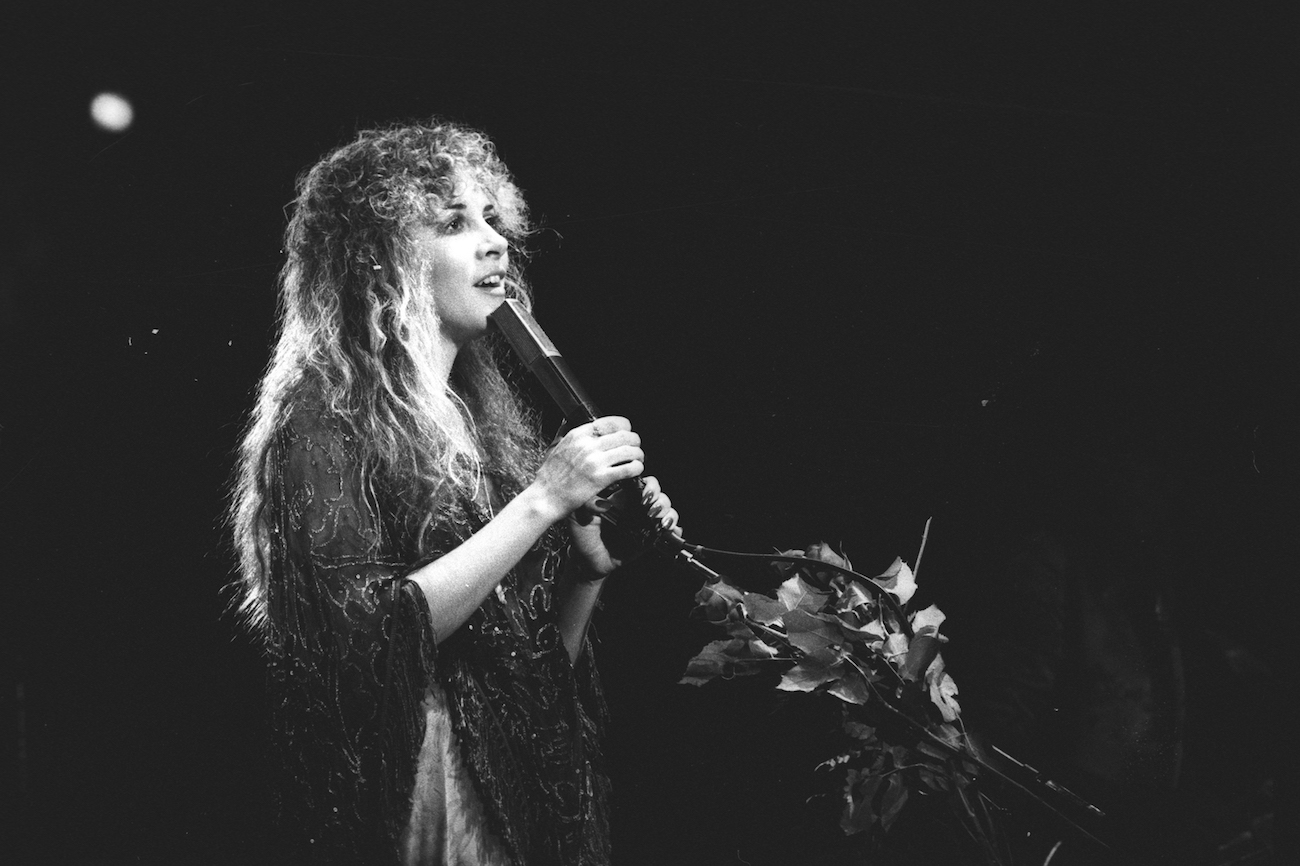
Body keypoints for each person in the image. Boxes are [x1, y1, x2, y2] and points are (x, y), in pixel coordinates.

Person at [229, 118, 680, 865]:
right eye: (453, 222)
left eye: (492, 218)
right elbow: (366, 647)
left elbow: (529, 685)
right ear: (377, 260)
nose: (495, 241)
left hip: (506, 814)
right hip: (421, 810)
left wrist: (585, 573)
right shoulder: (319, 421)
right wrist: (539, 502)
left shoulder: (485, 432)